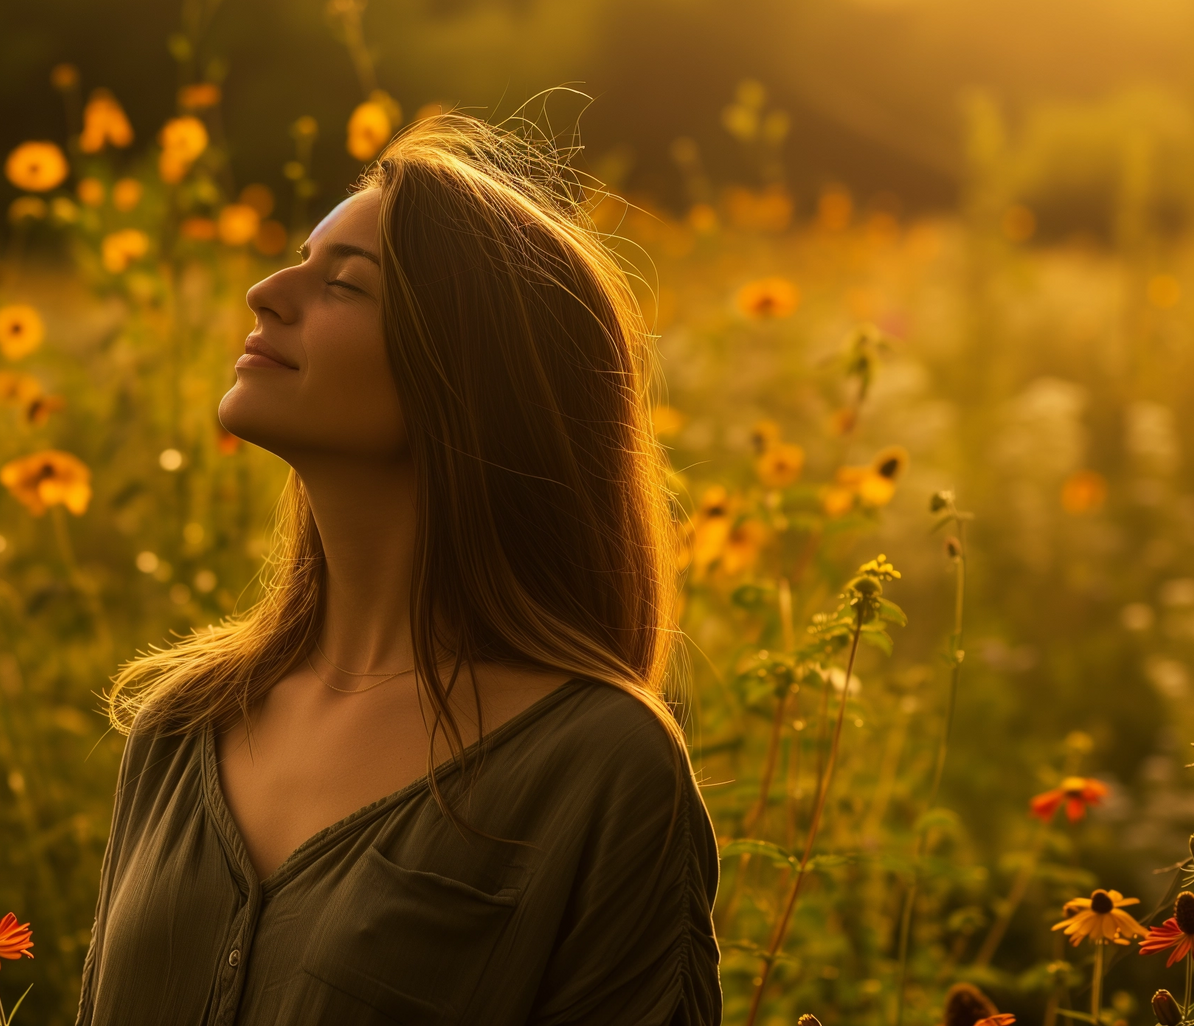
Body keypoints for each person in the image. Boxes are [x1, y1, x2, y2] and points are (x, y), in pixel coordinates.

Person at [74, 112, 720, 1025]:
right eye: (298, 259)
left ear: (469, 373)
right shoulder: (184, 724)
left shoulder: (600, 768)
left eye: (344, 283)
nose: (266, 292)